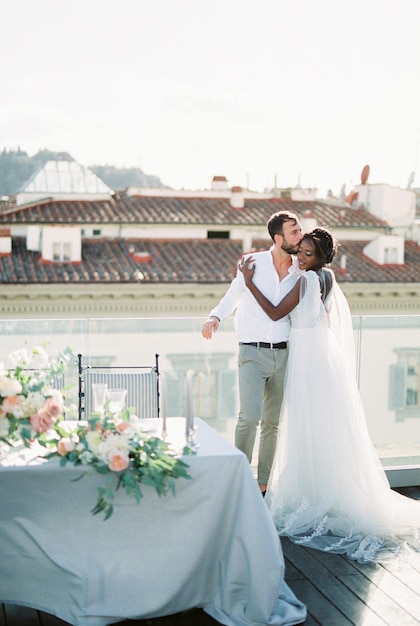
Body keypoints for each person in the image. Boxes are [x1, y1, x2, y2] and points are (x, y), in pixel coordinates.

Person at [240, 227, 420, 563]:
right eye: (301, 252)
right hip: (324, 351)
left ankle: (313, 491)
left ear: (321, 257)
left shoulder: (306, 280)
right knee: (323, 422)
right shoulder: (328, 279)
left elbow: (276, 312)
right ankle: (323, 487)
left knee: (308, 422)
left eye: (308, 254)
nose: (301, 258)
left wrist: (250, 282)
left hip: (308, 353)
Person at [201, 211, 303, 495]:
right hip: (252, 353)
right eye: (294, 232)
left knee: (273, 423)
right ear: (278, 237)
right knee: (249, 417)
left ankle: (264, 484)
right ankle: (240, 477)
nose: (300, 235)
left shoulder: (300, 268)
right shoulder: (252, 263)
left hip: (284, 355)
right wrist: (215, 317)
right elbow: (233, 295)